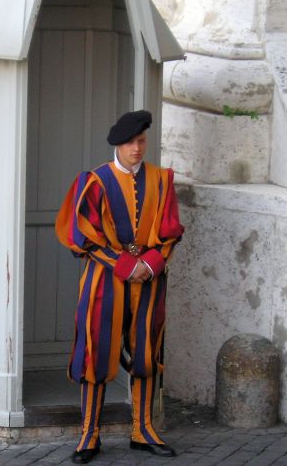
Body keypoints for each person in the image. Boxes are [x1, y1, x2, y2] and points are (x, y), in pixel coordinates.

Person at [55, 110, 184, 464]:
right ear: (118, 144)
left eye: (142, 141)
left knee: (146, 352)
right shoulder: (94, 181)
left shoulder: (162, 180)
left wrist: (150, 264)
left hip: (150, 280)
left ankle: (142, 430)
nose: (137, 148)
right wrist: (127, 266)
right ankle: (89, 435)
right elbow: (82, 236)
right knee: (95, 353)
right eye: (131, 142)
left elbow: (171, 231)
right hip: (104, 281)